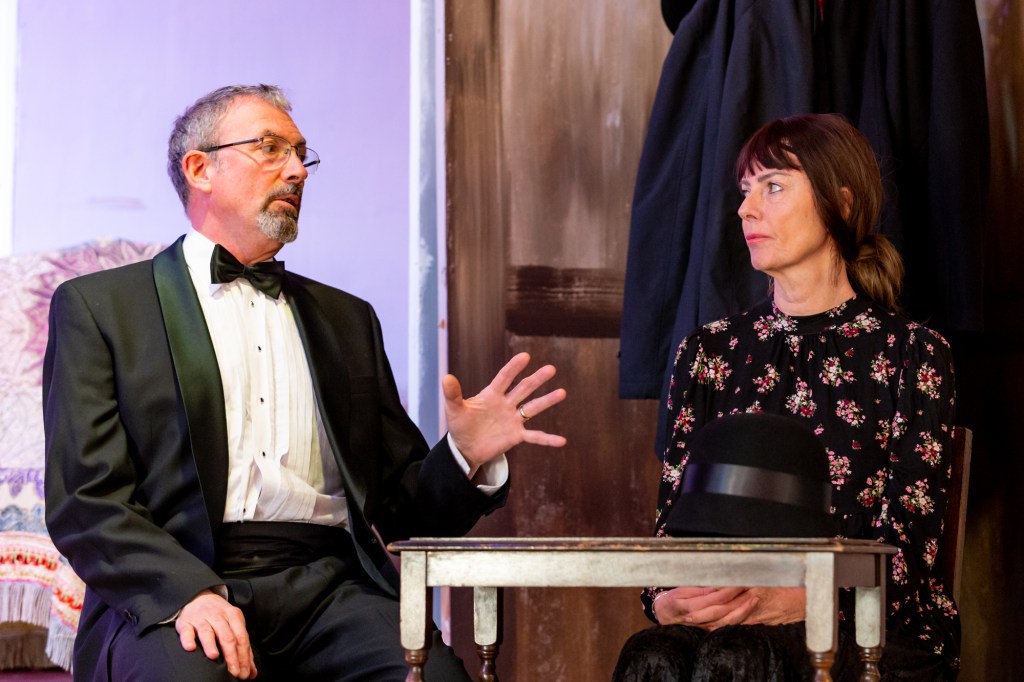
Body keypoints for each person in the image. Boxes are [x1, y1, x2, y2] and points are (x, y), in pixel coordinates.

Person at [42, 84, 567, 682]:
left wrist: (464, 455)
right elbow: (86, 499)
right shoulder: (101, 309)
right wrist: (186, 592)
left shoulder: (347, 320)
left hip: (331, 589)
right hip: (180, 582)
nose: (296, 171)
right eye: (270, 148)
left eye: (300, 154)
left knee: (436, 679)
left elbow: (401, 510)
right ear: (200, 169)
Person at [613, 114, 959, 681]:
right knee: (651, 655)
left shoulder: (912, 354)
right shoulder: (708, 352)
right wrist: (665, 598)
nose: (747, 209)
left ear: (840, 203)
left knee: (743, 658)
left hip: (874, 624)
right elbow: (672, 526)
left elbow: (909, 550)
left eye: (772, 186)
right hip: (731, 615)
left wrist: (807, 596)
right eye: (745, 190)